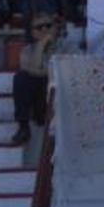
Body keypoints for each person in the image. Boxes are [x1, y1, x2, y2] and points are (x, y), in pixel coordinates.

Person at [11, 13, 65, 144]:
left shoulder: (67, 46)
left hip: (61, 98)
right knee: (21, 78)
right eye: (39, 27)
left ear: (56, 28)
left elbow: (67, 71)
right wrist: (41, 45)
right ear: (33, 33)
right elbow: (31, 68)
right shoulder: (27, 51)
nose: (44, 30)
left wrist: (41, 71)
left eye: (48, 26)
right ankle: (23, 127)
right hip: (40, 99)